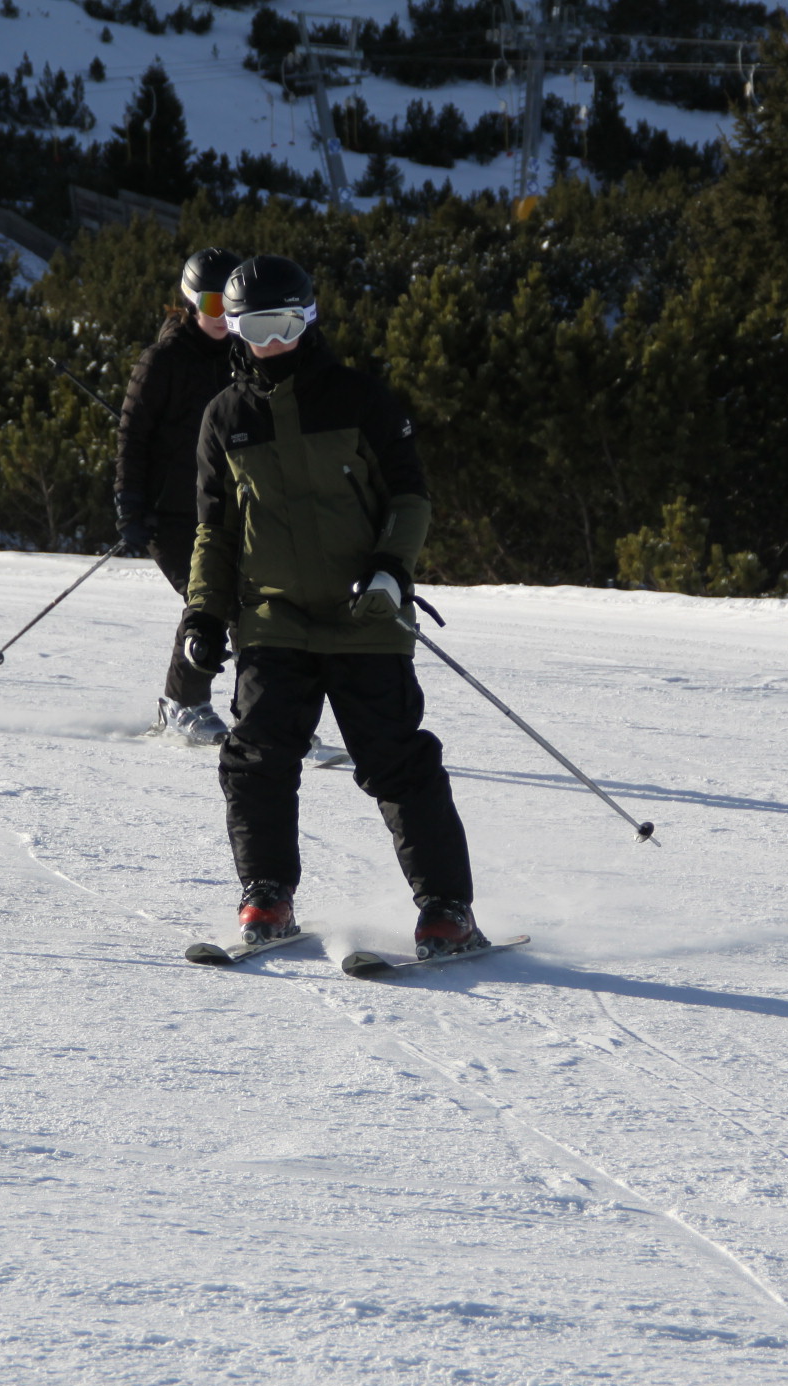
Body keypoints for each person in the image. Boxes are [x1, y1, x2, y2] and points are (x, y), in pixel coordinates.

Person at [180, 255, 488, 960]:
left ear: (308, 320)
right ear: (234, 331)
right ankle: (267, 896)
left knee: (396, 761)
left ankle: (447, 909)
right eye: (254, 329)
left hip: (365, 616)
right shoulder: (225, 418)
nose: (271, 344)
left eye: (284, 326)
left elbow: (409, 497)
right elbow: (214, 532)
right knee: (256, 758)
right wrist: (203, 613)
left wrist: (390, 571)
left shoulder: (358, 398)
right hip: (273, 618)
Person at [116, 247, 242, 745]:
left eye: (231, 305)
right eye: (212, 305)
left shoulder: (244, 358)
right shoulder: (163, 360)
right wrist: (130, 504)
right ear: (191, 304)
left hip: (228, 510)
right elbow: (133, 436)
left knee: (254, 603)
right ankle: (183, 703)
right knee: (209, 599)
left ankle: (265, 710)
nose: (222, 316)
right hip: (169, 514)